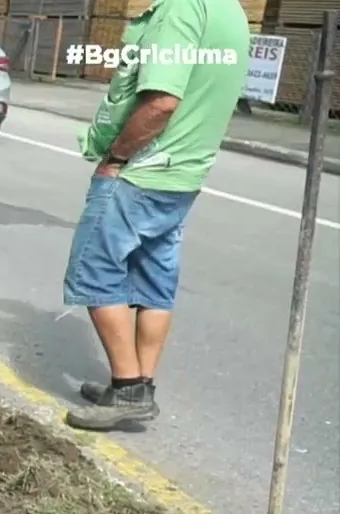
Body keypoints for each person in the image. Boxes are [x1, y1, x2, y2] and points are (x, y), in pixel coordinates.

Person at [62, 0, 249, 431]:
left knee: (93, 272)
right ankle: (139, 385)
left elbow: (162, 102)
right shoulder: (230, 12)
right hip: (184, 174)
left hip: (142, 172)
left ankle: (128, 390)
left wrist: (116, 156)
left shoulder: (180, 11)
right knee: (153, 281)